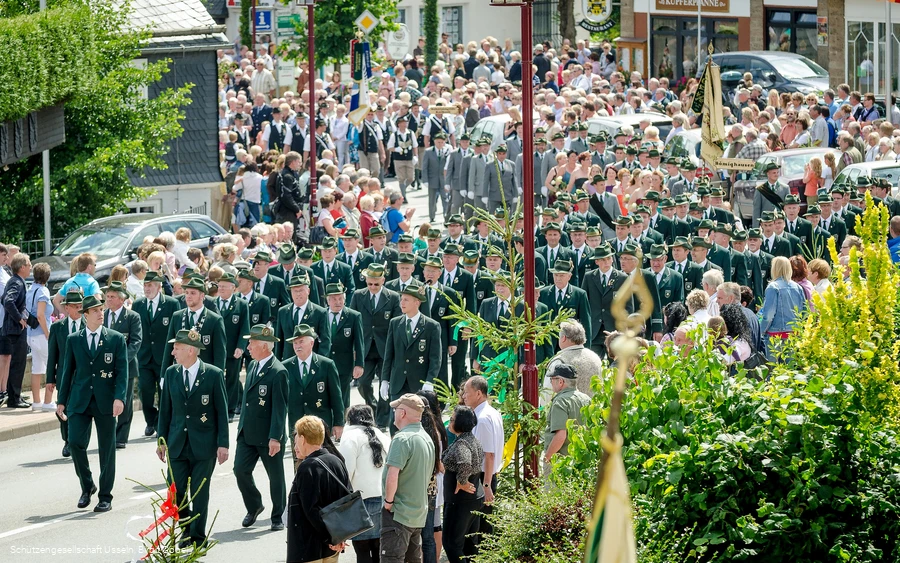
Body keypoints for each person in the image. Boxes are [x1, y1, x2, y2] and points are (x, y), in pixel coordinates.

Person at [156, 328, 229, 547]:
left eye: (177, 348)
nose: (172, 352)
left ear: (190, 350)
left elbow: (221, 412)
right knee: (175, 491)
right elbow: (165, 410)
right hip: (177, 443)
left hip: (204, 445)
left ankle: (198, 537)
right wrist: (161, 440)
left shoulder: (214, 374)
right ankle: (186, 529)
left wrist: (223, 444)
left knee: (199, 493)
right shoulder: (171, 373)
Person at [56, 294, 128, 513]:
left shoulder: (116, 339)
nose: (100, 313)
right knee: (75, 442)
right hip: (79, 400)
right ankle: (87, 486)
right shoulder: (74, 339)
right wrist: (61, 401)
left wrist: (119, 397)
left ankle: (105, 496)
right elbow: (67, 371)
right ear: (84, 314)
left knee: (107, 449)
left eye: (102, 309)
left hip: (106, 401)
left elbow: (122, 371)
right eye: (95, 310)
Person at [234, 324, 289, 531]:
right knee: (240, 470)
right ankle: (254, 505)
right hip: (247, 433)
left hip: (268, 435)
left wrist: (275, 437)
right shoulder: (253, 366)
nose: (248, 347)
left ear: (264, 346)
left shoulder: (278, 371)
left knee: (275, 478)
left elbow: (279, 408)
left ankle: (277, 516)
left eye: (252, 343)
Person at [288, 416, 352, 563]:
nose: (295, 442)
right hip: (332, 546)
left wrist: (331, 538)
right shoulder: (336, 461)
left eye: (296, 437)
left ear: (302, 439)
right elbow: (346, 501)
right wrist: (338, 537)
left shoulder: (307, 467)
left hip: (309, 547)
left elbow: (311, 510)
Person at [381, 394, 436, 563]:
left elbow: (393, 475)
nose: (394, 413)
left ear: (402, 413)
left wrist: (388, 503)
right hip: (417, 514)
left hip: (399, 513)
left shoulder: (402, 438)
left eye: (395, 409)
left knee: (392, 559)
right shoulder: (426, 438)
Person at [338, 405, 391, 563]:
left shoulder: (350, 438)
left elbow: (345, 474)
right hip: (383, 499)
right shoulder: (383, 436)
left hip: (361, 500)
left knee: (361, 551)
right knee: (378, 550)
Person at [284, 324, 344, 454]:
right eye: (295, 343)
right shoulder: (286, 367)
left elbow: (336, 397)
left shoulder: (326, 365)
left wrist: (338, 423)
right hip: (297, 428)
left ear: (311, 343)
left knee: (322, 463)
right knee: (299, 467)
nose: (297, 346)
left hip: (320, 427)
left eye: (301, 342)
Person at [102, 281, 143, 449]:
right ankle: (108, 434)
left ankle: (121, 436)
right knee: (106, 401)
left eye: (112, 297)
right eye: (107, 296)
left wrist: (122, 361)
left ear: (121, 299)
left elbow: (136, 341)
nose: (108, 299)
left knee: (124, 401)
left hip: (126, 366)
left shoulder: (132, 317)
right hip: (105, 366)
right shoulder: (102, 315)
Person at [442, 405, 485, 563]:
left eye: (452, 419)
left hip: (460, 501)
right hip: (473, 499)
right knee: (469, 546)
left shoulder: (462, 444)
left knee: (452, 544)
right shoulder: (472, 439)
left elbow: (465, 463)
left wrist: (462, 481)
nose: (449, 423)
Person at [462, 375, 503, 536]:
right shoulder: (492, 412)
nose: (464, 396)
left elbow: (489, 454)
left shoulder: (483, 418)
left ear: (478, 393)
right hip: (488, 475)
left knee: (481, 527)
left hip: (483, 477)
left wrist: (486, 486)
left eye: (466, 392)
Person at [47, 290, 85, 457]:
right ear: (67, 308)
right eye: (75, 307)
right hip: (63, 374)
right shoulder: (57, 328)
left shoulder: (89, 325)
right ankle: (67, 440)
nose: (78, 309)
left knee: (82, 408)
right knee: (63, 406)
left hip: (83, 375)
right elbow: (52, 355)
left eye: (80, 306)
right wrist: (50, 379)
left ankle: (79, 440)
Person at [212, 271, 250, 422]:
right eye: (219, 286)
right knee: (217, 378)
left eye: (224, 286)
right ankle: (218, 407)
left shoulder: (241, 304)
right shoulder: (212, 303)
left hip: (233, 348)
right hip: (215, 349)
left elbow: (244, 328)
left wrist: (241, 347)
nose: (220, 289)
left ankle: (230, 409)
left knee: (232, 379)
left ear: (233, 288)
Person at [542, 363, 590, 474]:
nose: (551, 383)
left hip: (562, 464)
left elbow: (560, 436)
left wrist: (547, 458)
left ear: (560, 382)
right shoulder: (586, 399)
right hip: (582, 461)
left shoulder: (560, 401)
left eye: (552, 379)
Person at [759, 256, 807, 362]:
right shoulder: (798, 287)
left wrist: (761, 330)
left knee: (773, 372)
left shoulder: (773, 287)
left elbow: (769, 315)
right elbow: (804, 311)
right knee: (789, 370)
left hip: (775, 334)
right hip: (793, 333)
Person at [1, 253, 32, 409]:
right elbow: (7, 301)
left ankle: (15, 397)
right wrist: (19, 318)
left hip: (12, 329)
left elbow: (3, 299)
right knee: (18, 364)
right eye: (28, 264)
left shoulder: (16, 281)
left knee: (17, 363)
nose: (31, 267)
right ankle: (14, 399)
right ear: (22, 267)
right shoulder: (17, 283)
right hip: (15, 330)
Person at [545, 320, 604, 398]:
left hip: (566, 409)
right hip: (593, 408)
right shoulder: (595, 357)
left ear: (563, 338)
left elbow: (547, 394)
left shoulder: (559, 361)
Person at [26, 262, 53, 411]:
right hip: (42, 334)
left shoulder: (30, 290)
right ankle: (48, 402)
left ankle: (36, 402)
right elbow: (41, 315)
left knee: (36, 368)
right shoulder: (43, 291)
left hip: (31, 334)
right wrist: (48, 334)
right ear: (47, 277)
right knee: (51, 366)